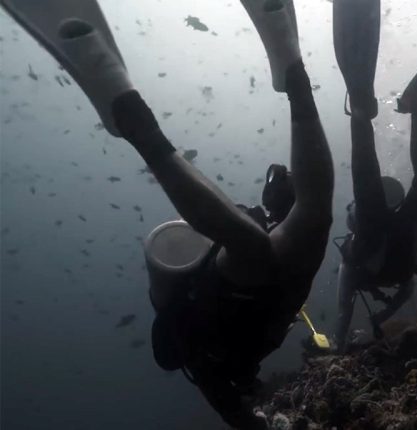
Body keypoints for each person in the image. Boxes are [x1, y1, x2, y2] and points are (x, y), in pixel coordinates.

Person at [2, 0, 333, 428]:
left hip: (236, 297)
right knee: (303, 219)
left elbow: (236, 415)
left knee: (301, 219)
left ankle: (144, 119)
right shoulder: (225, 362)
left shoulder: (213, 369)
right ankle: (289, 74)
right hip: (259, 292)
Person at [332, 0, 417, 351]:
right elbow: (405, 291)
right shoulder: (386, 266)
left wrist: (338, 346)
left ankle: (373, 113)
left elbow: (344, 310)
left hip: (395, 238)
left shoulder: (351, 268)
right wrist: (380, 318)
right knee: (402, 179)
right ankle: (401, 108)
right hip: (406, 236)